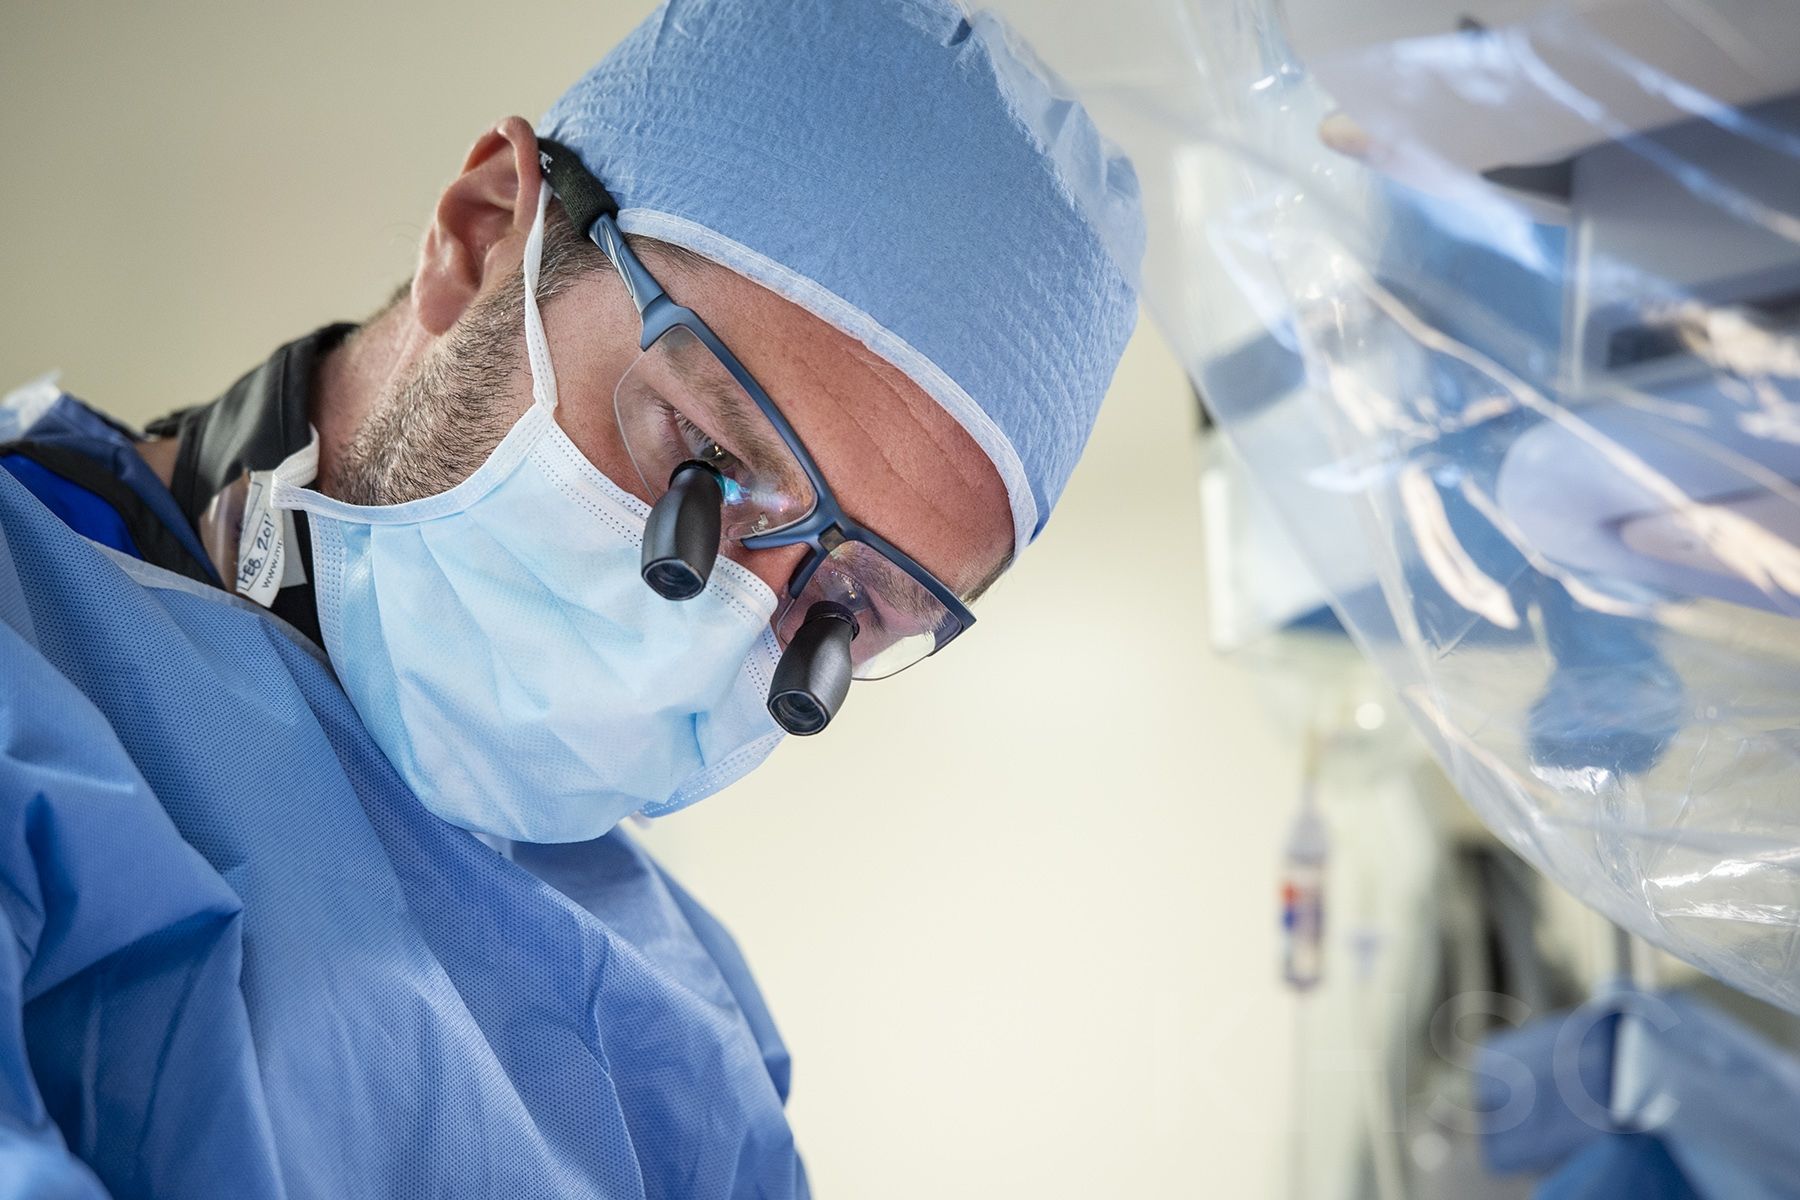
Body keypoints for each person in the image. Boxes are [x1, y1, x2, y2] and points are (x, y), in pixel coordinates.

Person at [0, 0, 1142, 1195]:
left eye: (843, 609)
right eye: (699, 459)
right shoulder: (35, 652)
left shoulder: (682, 1032)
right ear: (485, 234)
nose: (708, 627)